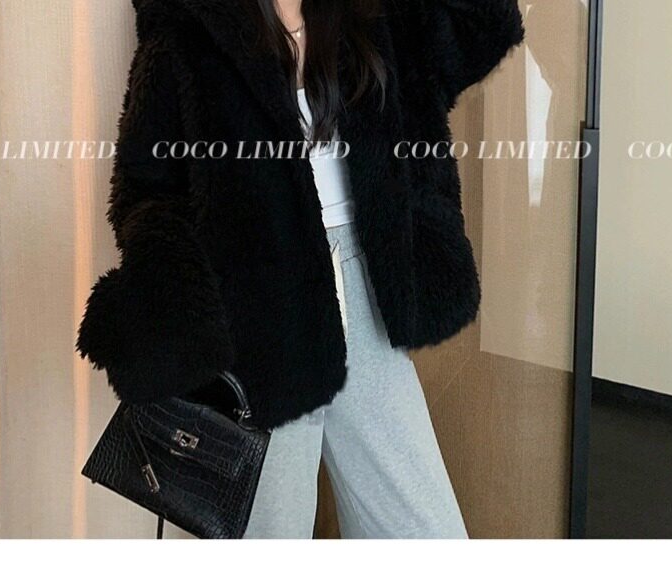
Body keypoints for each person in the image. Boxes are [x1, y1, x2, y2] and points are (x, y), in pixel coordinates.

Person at [77, 0, 524, 538]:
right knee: (273, 536)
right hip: (263, 316)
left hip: (366, 296)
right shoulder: (193, 20)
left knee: (425, 532)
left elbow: (480, 31)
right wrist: (174, 302)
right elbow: (147, 184)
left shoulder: (367, 13)